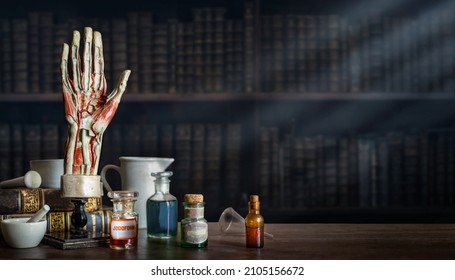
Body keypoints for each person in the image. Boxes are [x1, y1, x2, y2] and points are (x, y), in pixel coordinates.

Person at [61, 27, 130, 175]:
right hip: (77, 178)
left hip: (87, 175)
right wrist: (75, 131)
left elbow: (95, 132)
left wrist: (80, 129)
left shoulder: (93, 135)